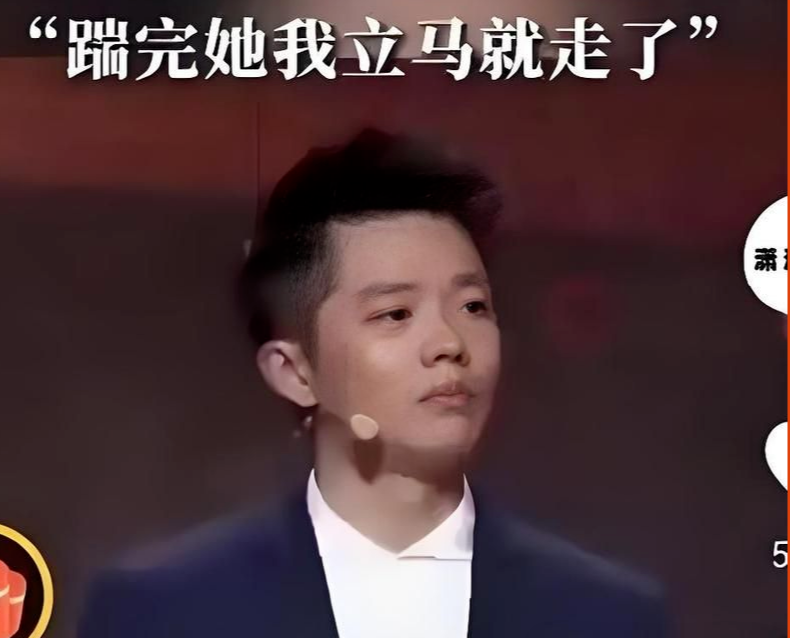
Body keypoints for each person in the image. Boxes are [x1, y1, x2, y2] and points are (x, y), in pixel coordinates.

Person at [78, 128, 669, 638]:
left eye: (472, 306)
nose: (449, 343)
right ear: (295, 371)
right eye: (395, 314)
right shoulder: (164, 611)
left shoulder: (606, 615)